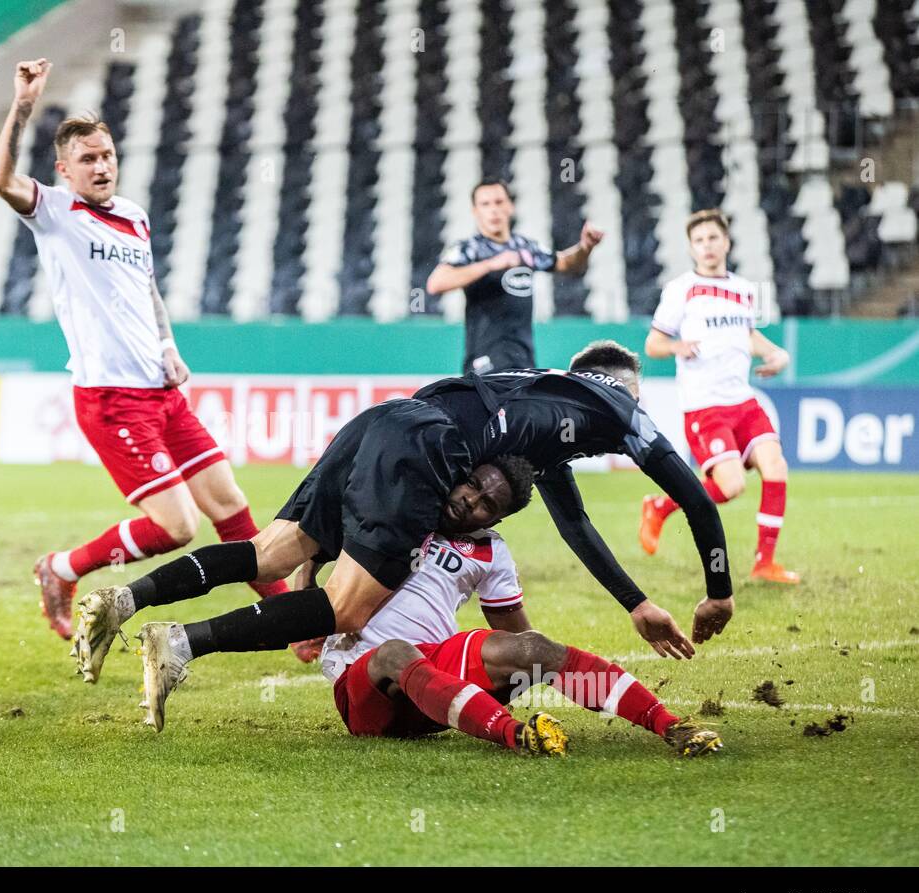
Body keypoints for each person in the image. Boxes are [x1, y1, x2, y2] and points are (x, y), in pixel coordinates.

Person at [77, 342, 735, 730]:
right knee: (343, 609)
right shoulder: (620, 408)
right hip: (427, 446)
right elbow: (697, 501)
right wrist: (719, 591)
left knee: (269, 552)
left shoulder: (544, 409)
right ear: (621, 388)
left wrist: (636, 603)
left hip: (387, 420)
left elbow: (574, 522)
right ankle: (180, 647)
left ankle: (124, 601)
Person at [0, 58, 286, 639]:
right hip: (111, 398)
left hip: (162, 391)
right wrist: (22, 107)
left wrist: (169, 347)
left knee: (230, 505)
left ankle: (293, 625)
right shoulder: (54, 212)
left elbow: (147, 290)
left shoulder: (134, 217)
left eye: (107, 156)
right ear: (64, 171)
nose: (102, 168)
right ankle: (61, 568)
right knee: (176, 527)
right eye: (88, 160)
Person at [319, 460, 720, 758]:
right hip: (365, 684)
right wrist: (315, 605)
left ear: (499, 517)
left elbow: (520, 640)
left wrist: (537, 662)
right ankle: (519, 735)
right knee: (393, 650)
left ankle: (670, 726)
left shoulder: (490, 551)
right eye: (472, 484)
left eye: (486, 504)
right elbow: (316, 539)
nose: (469, 500)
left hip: (434, 677)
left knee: (534, 649)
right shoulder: (399, 509)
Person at [640, 209, 798, 584]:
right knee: (732, 486)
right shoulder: (681, 288)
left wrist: (776, 353)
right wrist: (678, 346)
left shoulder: (744, 289)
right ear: (692, 248)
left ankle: (765, 564)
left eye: (713, 238)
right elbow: (653, 344)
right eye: (699, 241)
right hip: (704, 404)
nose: (707, 246)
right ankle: (660, 506)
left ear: (726, 242)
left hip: (742, 399)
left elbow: (748, 334)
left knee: (776, 468)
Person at [426, 179, 604, 374]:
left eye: (499, 202)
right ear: (475, 211)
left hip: (523, 359)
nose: (493, 209)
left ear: (510, 206)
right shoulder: (469, 249)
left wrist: (585, 248)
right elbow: (436, 283)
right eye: (485, 204)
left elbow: (567, 265)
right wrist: (490, 264)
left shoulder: (525, 248)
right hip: (484, 361)